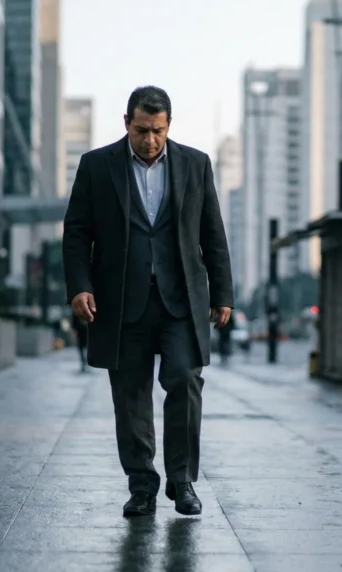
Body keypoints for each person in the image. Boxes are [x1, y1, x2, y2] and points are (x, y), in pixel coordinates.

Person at [61, 86, 234, 518]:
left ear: (169, 125)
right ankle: (141, 485)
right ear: (126, 123)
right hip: (121, 302)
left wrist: (223, 293)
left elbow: (212, 233)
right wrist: (80, 286)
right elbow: (78, 232)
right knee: (131, 396)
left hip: (181, 303)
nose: (150, 140)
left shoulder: (196, 164)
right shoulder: (97, 166)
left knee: (185, 381)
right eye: (141, 130)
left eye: (158, 130)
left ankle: (183, 480)